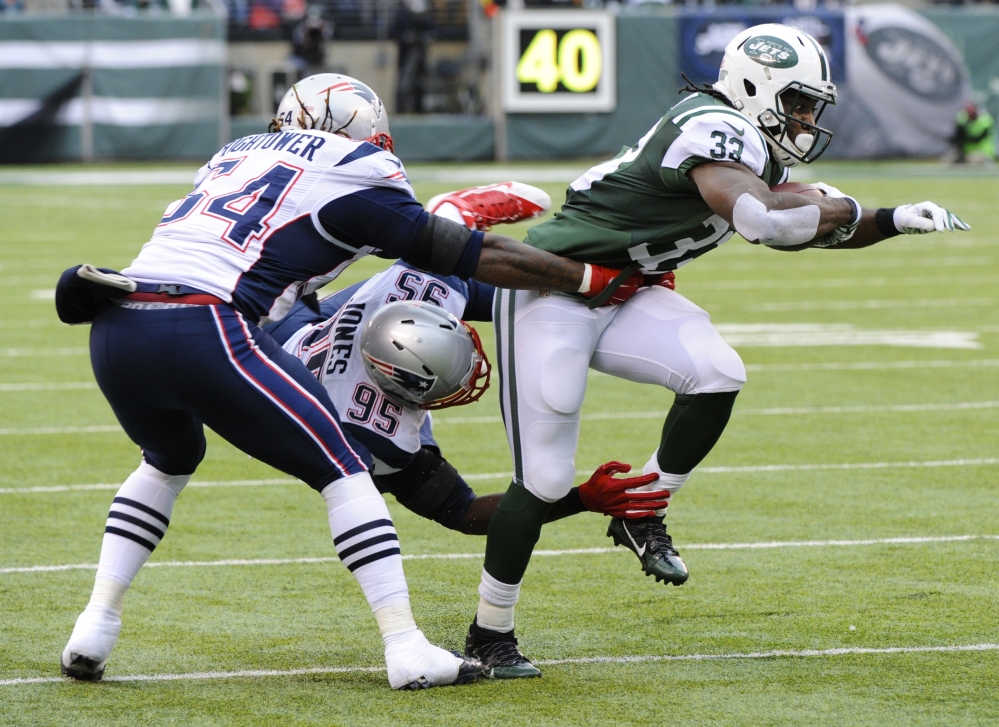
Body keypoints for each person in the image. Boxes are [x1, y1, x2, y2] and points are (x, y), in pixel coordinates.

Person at [55, 73, 639, 690]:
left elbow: (287, 284)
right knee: (344, 470)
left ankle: (94, 625)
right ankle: (404, 646)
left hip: (118, 319)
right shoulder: (361, 168)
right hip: (205, 323)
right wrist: (584, 279)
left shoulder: (233, 153)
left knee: (170, 458)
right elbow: (459, 257)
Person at [453, 23, 972, 678]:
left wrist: (891, 218)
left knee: (717, 370)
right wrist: (829, 204)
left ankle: (643, 508)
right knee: (547, 478)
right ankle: (489, 630)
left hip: (625, 291)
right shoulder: (710, 123)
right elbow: (762, 221)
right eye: (798, 102)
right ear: (754, 87)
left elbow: (809, 226)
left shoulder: (755, 151)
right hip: (550, 288)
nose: (807, 119)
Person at [265, 260, 668, 539]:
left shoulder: (420, 286)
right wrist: (578, 499)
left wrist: (592, 283)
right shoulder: (370, 440)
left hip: (343, 324)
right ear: (396, 385)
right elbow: (462, 511)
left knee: (540, 296)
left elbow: (509, 280)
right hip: (282, 336)